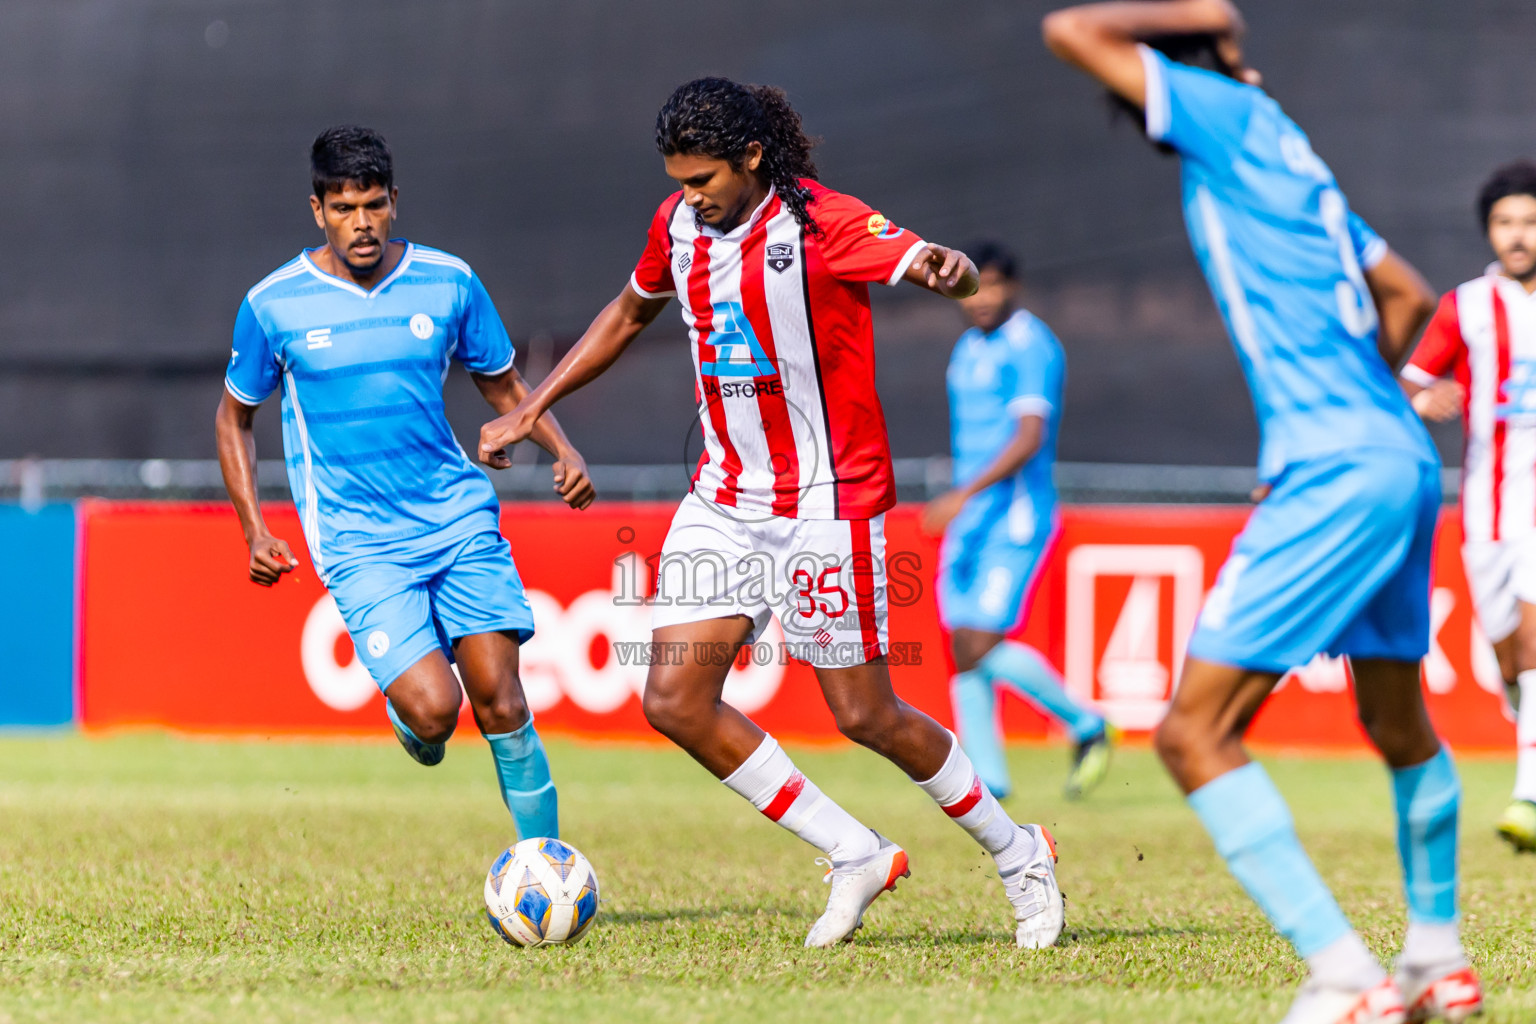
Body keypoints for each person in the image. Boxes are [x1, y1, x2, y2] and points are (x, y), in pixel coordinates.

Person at [477, 78, 1065, 949]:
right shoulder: (678, 225)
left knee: (865, 716)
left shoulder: (824, 222)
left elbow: (936, 262)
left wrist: (952, 271)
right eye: (678, 181)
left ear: (751, 158)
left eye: (703, 179)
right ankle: (852, 851)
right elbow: (630, 312)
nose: (690, 197)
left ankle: (1022, 856)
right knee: (674, 700)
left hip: (830, 503)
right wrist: (533, 409)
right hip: (726, 498)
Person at [1044, 2, 1483, 1021]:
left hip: (1334, 468)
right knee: (1395, 714)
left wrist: (1200, 19)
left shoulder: (1226, 116)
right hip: (1397, 458)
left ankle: (1343, 975)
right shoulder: (1300, 161)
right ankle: (1436, 959)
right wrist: (1362, 408)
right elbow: (1408, 297)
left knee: (1193, 732)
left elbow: (1069, 30)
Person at [215, 125, 594, 844]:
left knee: (503, 701)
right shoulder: (273, 304)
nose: (361, 223)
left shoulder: (449, 281)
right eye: (344, 208)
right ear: (317, 210)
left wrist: (561, 448)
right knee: (433, 712)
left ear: (395, 202)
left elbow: (505, 384)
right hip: (359, 542)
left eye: (374, 205)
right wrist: (255, 529)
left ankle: (545, 862)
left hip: (456, 517)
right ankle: (412, 714)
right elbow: (234, 419)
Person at [921, 241, 1114, 801]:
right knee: (962, 646)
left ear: (1015, 287)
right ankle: (989, 784)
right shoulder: (965, 348)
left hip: (1015, 515)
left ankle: (1087, 725)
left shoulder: (1031, 344)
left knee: (979, 641)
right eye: (975, 287)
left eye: (996, 285)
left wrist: (963, 493)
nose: (983, 299)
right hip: (971, 515)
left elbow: (1028, 437)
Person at [1401, 159, 1536, 855]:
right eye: (1506, 223)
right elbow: (1410, 384)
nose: (1519, 236)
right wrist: (1425, 401)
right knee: (1510, 656)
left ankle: (1528, 793)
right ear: (1490, 230)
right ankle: (1520, 705)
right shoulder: (1467, 307)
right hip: (1486, 510)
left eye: (1531, 222)